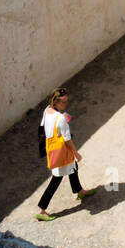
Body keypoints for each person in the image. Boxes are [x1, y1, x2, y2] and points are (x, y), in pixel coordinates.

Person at [36, 87, 97, 221]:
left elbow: (43, 127)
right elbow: (67, 139)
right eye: (62, 102)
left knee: (73, 167)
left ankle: (79, 191)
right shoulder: (61, 119)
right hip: (61, 149)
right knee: (56, 179)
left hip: (52, 146)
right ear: (55, 101)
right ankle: (42, 209)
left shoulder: (47, 110)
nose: (65, 104)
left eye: (66, 101)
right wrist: (76, 153)